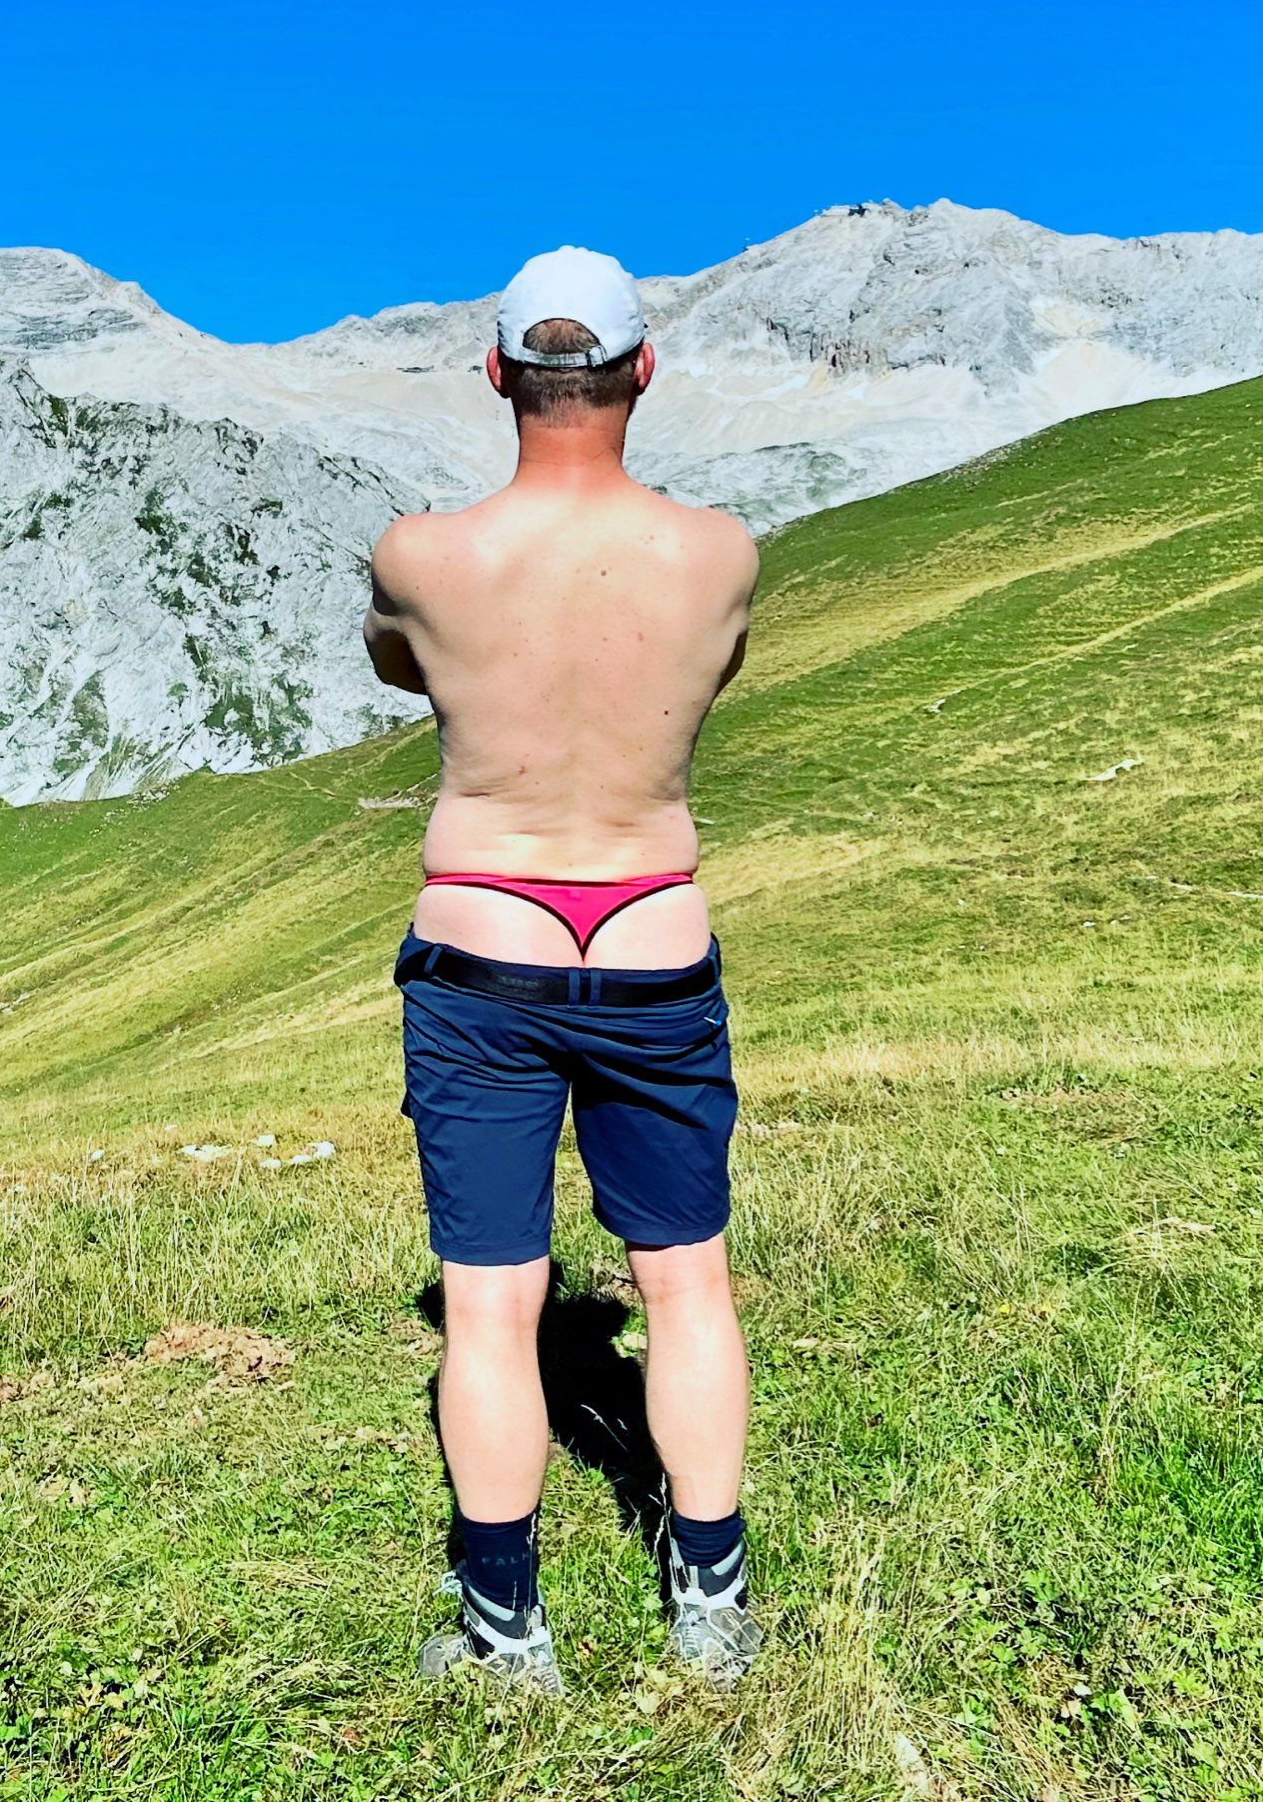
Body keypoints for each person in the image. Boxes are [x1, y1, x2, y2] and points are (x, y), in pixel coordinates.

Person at [364, 246, 761, 1693]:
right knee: (687, 1286)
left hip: (486, 945)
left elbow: (399, 663)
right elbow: (699, 676)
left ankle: (503, 1632)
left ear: (495, 375)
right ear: (641, 371)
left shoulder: (420, 556)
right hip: (653, 933)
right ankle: (709, 1603)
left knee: (486, 1304)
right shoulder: (719, 554)